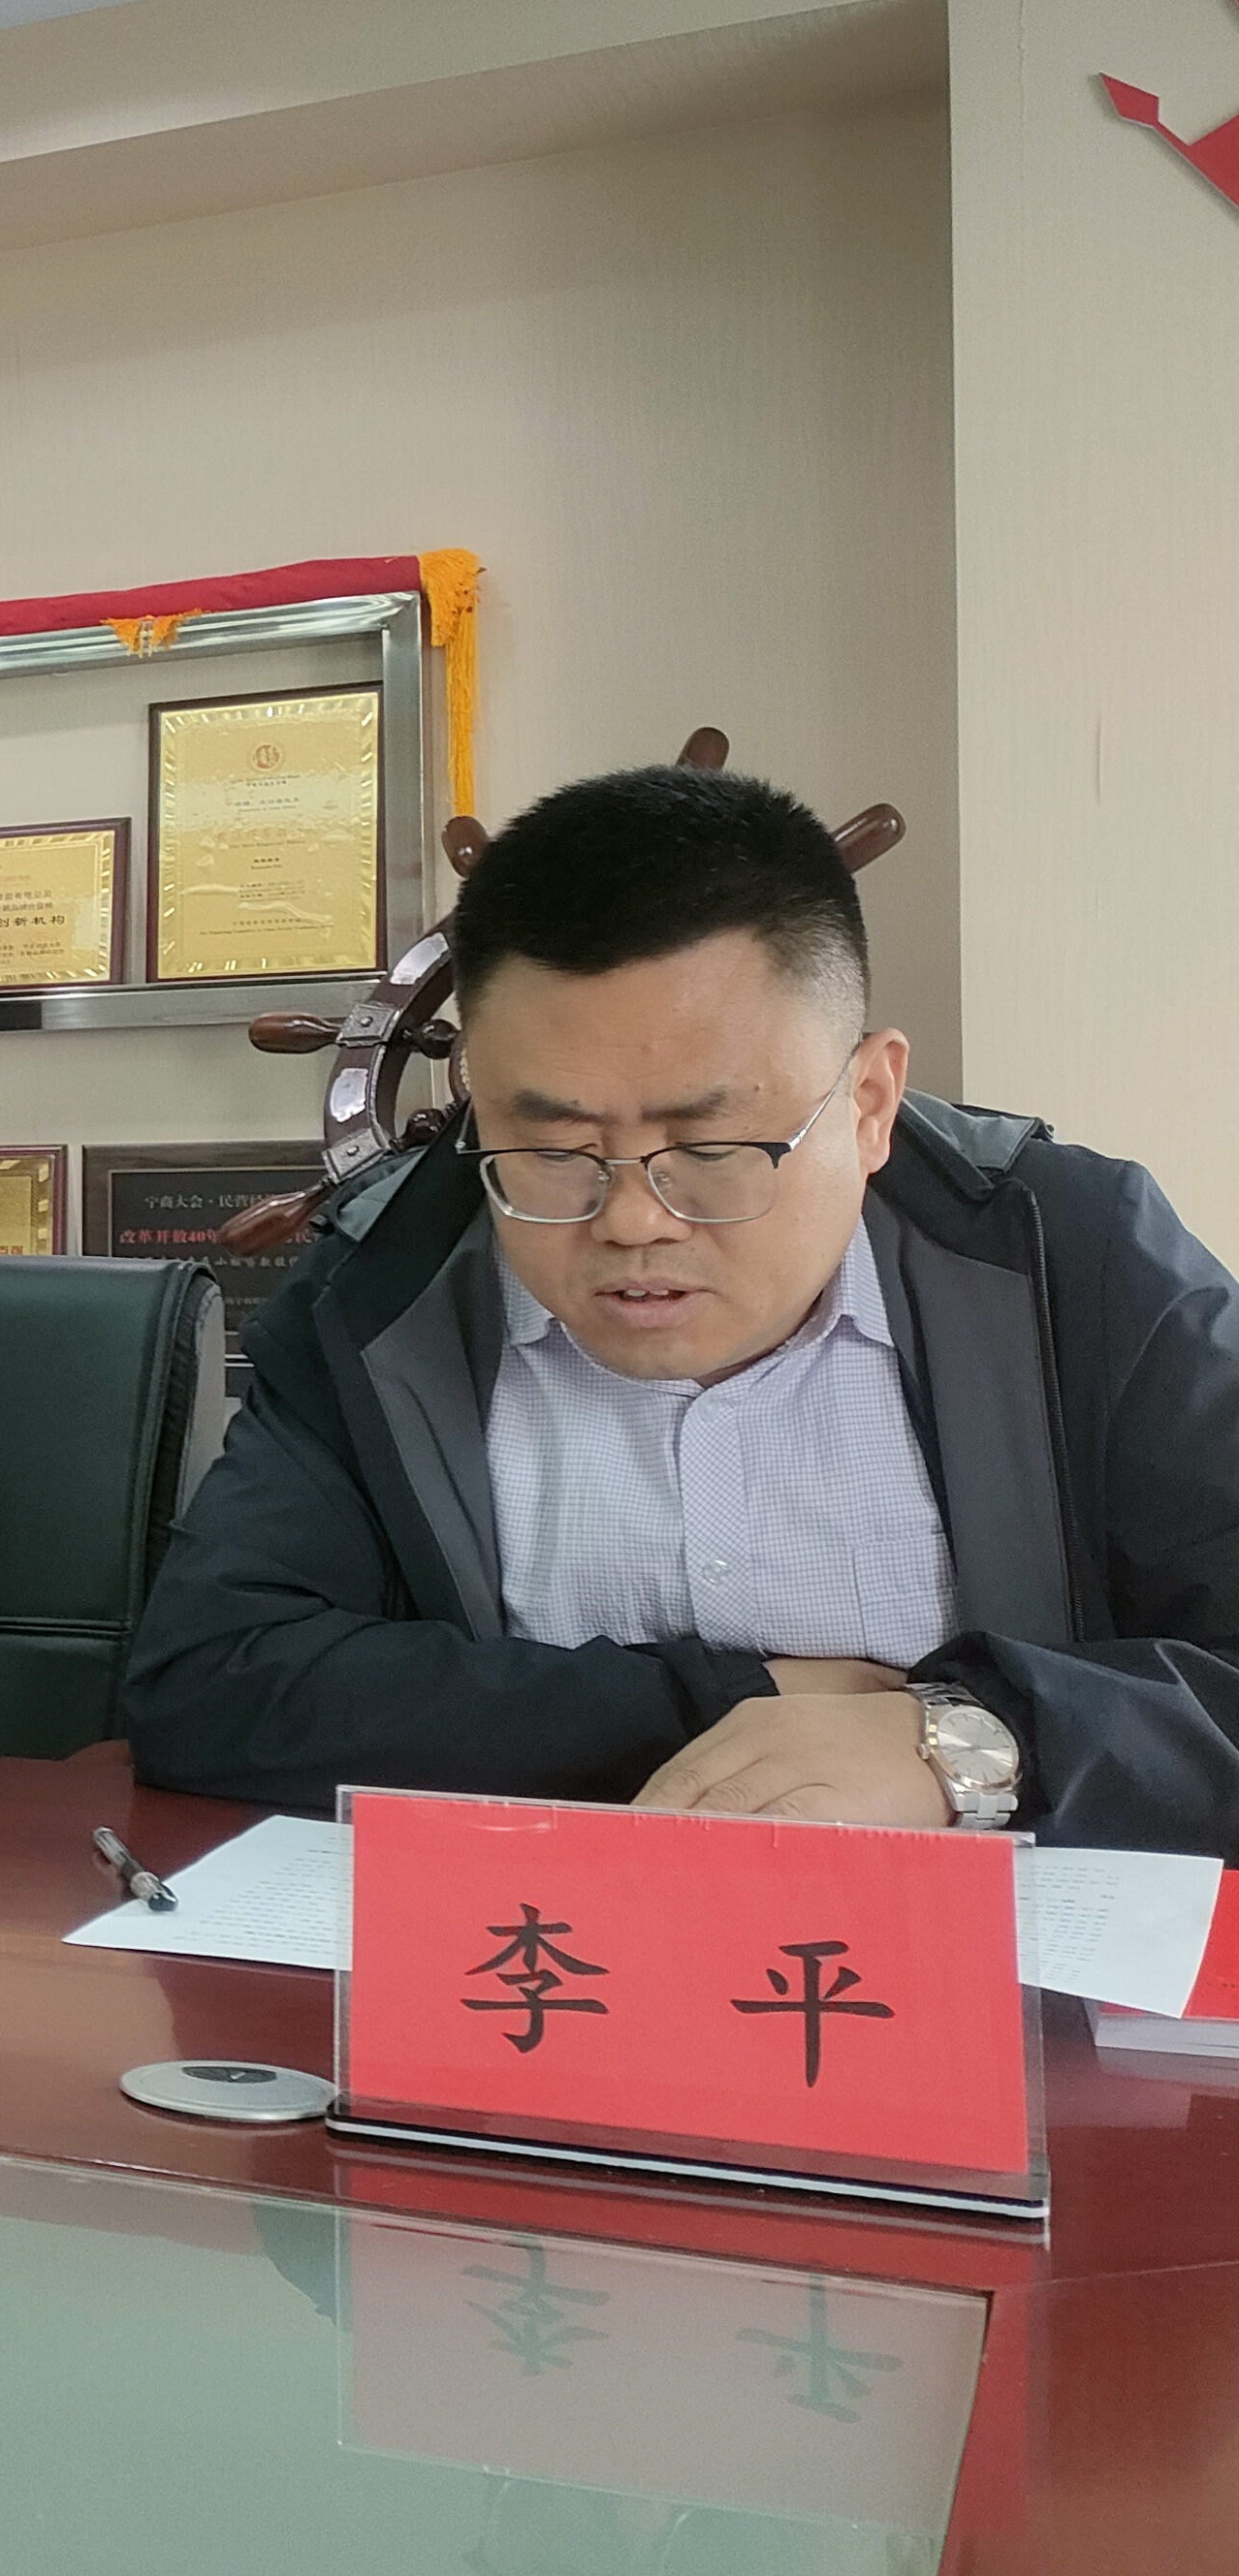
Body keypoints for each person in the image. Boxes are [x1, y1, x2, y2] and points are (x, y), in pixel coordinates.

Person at [121, 764, 1239, 1846]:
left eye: (709, 1148)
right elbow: (209, 1679)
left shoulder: (1072, 1259)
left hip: (1012, 1959)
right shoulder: (379, 1290)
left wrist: (968, 1741)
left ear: (866, 1103)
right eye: (552, 1149)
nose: (631, 1222)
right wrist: (725, 1706)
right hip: (544, 1947)